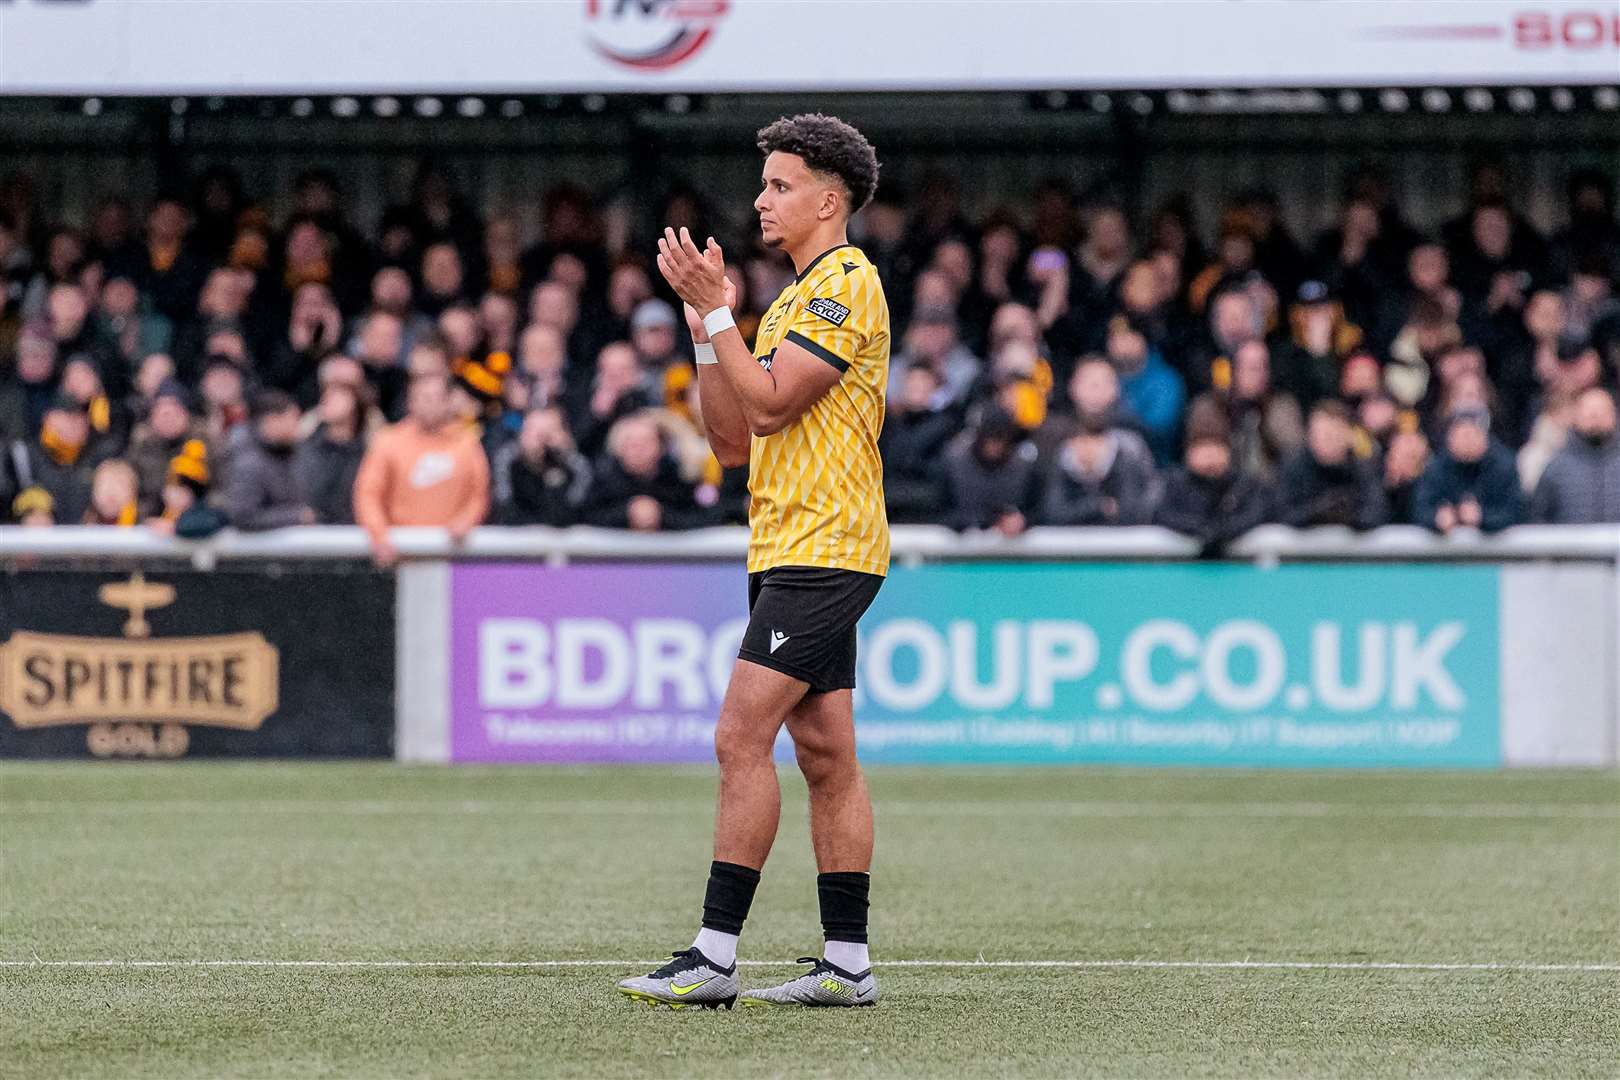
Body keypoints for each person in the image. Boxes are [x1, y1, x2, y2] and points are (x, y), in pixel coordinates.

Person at [627, 113, 887, 1009]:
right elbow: (733, 439)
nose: (761, 200)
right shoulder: (788, 302)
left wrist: (723, 313)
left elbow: (772, 406)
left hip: (825, 545)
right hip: (789, 546)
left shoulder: (843, 285)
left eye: (779, 185)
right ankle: (846, 963)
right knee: (826, 757)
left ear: (828, 198)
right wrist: (707, 324)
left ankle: (713, 954)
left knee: (740, 736)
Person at [352, 371, 489, 567]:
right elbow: (368, 493)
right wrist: (379, 535)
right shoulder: (389, 441)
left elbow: (478, 494)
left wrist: (466, 521)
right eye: (422, 398)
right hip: (398, 555)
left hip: (451, 556)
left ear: (448, 401)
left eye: (435, 398)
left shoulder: (467, 444)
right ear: (410, 402)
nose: (429, 405)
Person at [1154, 399, 1273, 554]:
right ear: (1188, 452)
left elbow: (1257, 514)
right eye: (1201, 446)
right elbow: (1163, 515)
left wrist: (1222, 531)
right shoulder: (1174, 484)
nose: (1210, 454)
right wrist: (1201, 529)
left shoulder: (1244, 485)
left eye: (1217, 445)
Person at [580, 410, 705, 531]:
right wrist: (626, 513)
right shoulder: (603, 480)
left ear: (661, 447)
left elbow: (702, 518)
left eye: (645, 443)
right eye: (631, 444)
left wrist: (661, 514)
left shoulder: (680, 479)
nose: (638, 451)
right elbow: (583, 518)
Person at [1277, 400, 1388, 530]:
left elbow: (1378, 514)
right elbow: (1282, 515)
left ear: (1348, 435)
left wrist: (1348, 515)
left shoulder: (1364, 469)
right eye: (1319, 434)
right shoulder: (1293, 467)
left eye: (1332, 435)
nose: (1325, 441)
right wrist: (1319, 511)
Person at [1037, 410, 1159, 526]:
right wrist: (1098, 506)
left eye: (1093, 442)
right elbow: (1053, 514)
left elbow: (1130, 513)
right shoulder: (1060, 465)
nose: (1087, 450)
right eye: (1081, 442)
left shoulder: (1124, 463)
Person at [1413, 407, 1524, 534]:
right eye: (1462, 435)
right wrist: (1436, 518)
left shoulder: (1504, 466)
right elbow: (1419, 510)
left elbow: (1516, 513)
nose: (1468, 441)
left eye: (1473, 434)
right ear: (1449, 438)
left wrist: (1482, 517)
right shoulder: (1435, 467)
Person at [225, 390, 316, 530]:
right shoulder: (248, 462)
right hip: (259, 550)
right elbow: (244, 516)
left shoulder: (293, 453)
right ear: (272, 420)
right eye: (293, 418)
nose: (297, 426)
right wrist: (297, 517)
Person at [943, 405, 1042, 533]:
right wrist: (981, 522)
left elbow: (1039, 510)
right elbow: (940, 511)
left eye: (1001, 439)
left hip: (1011, 546)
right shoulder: (954, 464)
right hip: (963, 544)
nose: (995, 445)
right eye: (989, 438)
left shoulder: (1025, 469)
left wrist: (1024, 521)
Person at [1530, 386, 1620, 524]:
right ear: (1575, 416)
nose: (1596, 419)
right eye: (1590, 413)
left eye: (1603, 412)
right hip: (1568, 545)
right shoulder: (1556, 468)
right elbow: (1537, 517)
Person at [491, 404, 591, 526]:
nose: (541, 440)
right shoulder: (507, 462)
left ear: (565, 435)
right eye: (533, 431)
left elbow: (570, 516)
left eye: (550, 432)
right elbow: (505, 513)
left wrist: (554, 468)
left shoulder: (578, 469)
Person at [295, 379, 370, 525]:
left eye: (337, 397)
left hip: (354, 535)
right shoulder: (305, 449)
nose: (327, 401)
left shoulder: (367, 453)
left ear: (355, 404)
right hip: (311, 534)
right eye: (325, 397)